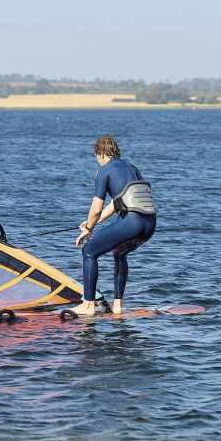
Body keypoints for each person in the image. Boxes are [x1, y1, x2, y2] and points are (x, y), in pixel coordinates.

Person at [73, 135, 157, 317]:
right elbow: (115, 204)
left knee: (89, 251)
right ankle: (117, 306)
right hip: (150, 224)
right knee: (119, 252)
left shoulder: (105, 171)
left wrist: (88, 229)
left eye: (96, 156)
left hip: (131, 222)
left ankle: (88, 306)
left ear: (101, 154)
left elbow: (96, 208)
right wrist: (91, 223)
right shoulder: (132, 168)